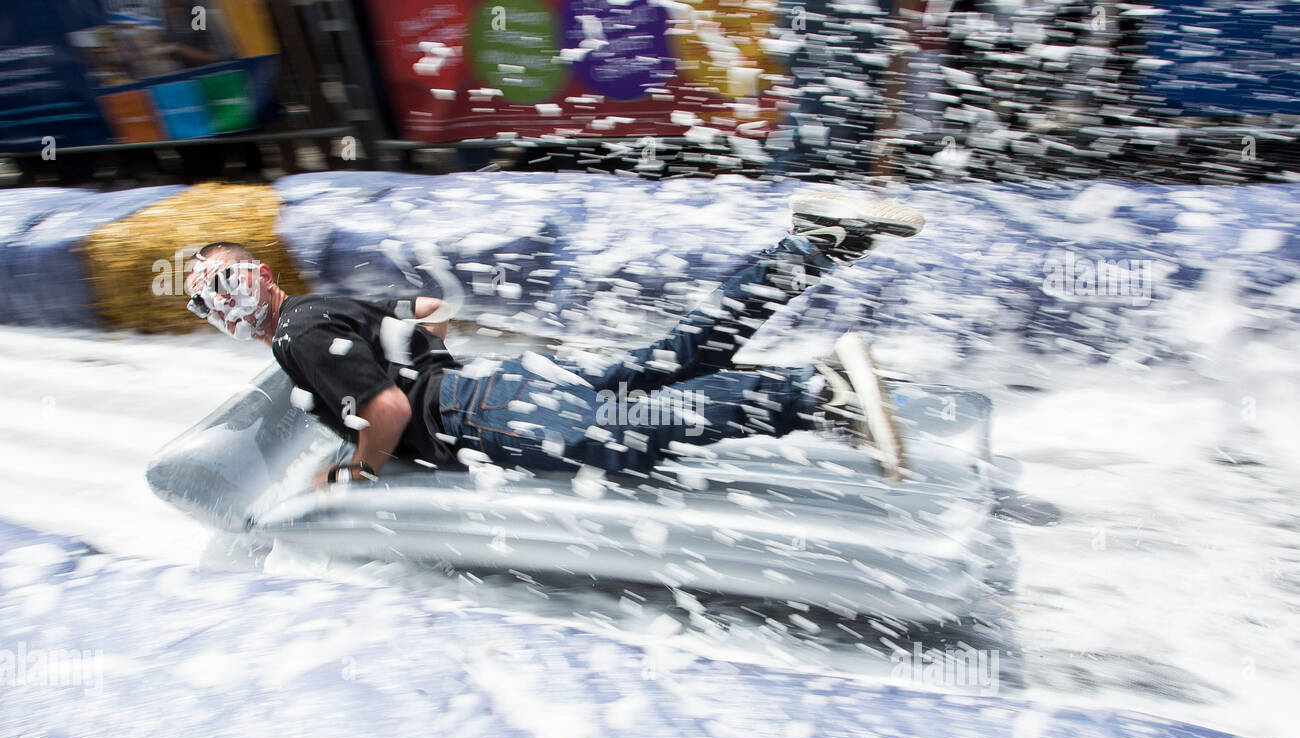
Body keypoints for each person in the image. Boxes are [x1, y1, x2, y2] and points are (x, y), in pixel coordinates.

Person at [182, 191, 924, 487]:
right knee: (664, 366)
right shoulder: (323, 306)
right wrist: (430, 364)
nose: (222, 302)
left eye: (219, 286)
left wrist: (357, 470)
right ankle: (807, 249)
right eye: (211, 295)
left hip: (482, 415)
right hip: (498, 384)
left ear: (254, 286)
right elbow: (429, 305)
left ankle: (816, 393)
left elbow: (390, 416)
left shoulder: (298, 340)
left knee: (634, 428)